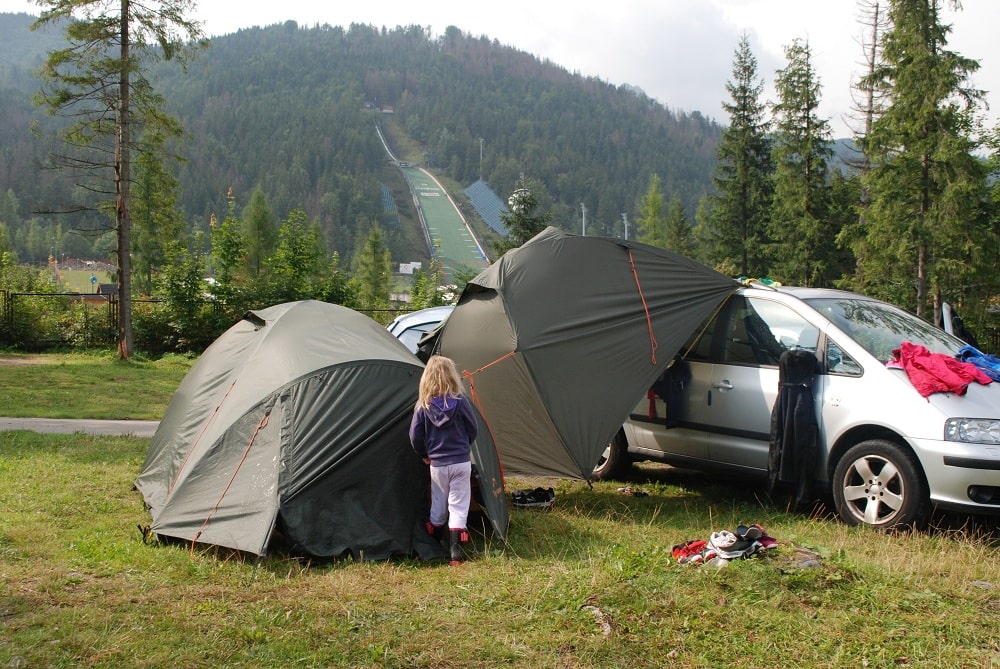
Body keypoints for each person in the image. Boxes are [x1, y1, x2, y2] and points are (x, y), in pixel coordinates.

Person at [409, 355, 478, 565]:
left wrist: (424, 455)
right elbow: (472, 428)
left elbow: (415, 436)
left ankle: (434, 543)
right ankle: (456, 554)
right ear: (452, 376)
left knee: (438, 504)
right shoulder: (461, 401)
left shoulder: (423, 406)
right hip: (460, 462)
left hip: (437, 464)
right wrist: (464, 447)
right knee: (458, 505)